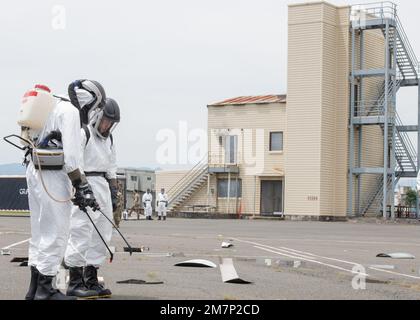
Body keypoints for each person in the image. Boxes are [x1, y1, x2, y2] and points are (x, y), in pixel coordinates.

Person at [24, 83, 102, 300]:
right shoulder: (70, 111)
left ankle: (34, 288)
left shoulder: (50, 105)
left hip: (34, 169)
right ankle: (46, 290)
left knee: (39, 232)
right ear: (90, 101)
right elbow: (72, 157)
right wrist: (81, 186)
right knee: (56, 231)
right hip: (53, 173)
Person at [64, 97, 120, 299]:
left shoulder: (109, 139)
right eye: (105, 120)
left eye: (111, 123)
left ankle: (92, 280)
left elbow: (112, 167)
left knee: (102, 233)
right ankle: (75, 282)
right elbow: (74, 162)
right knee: (81, 230)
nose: (107, 125)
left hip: (103, 185)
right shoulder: (84, 134)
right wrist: (81, 188)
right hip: (86, 182)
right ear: (97, 116)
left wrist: (114, 193)